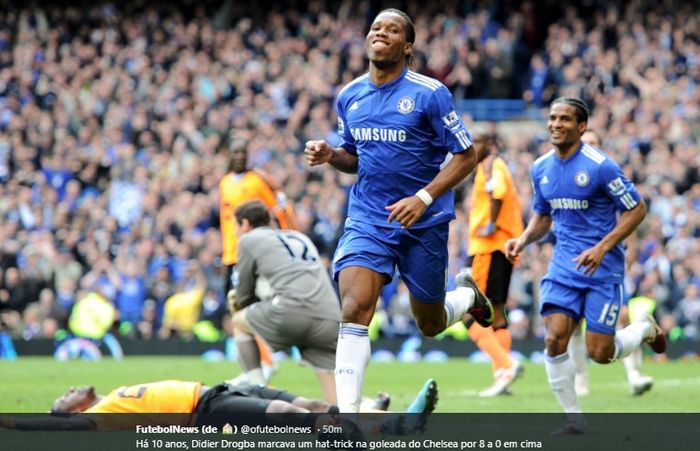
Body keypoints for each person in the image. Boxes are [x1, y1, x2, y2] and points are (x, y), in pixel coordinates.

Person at [304, 8, 493, 413]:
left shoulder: (430, 93)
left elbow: (467, 156)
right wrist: (330, 154)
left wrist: (422, 198)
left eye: (392, 30)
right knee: (354, 309)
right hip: (369, 218)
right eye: (375, 28)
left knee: (430, 324)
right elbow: (355, 158)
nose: (381, 33)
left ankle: (465, 296)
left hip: (424, 222)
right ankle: (348, 421)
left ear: (407, 46)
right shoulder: (350, 95)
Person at [504, 97, 666, 434]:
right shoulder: (540, 168)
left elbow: (637, 209)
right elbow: (543, 215)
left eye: (565, 119)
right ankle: (574, 419)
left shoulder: (600, 166)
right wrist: (523, 238)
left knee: (601, 353)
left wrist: (603, 246)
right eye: (552, 118)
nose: (556, 124)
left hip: (601, 269)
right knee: (554, 340)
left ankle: (643, 329)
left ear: (581, 127)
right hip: (563, 267)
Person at [0, 378, 438, 436]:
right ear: (74, 412)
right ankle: (366, 433)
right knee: (293, 417)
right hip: (205, 410)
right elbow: (48, 427)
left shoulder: (112, 394)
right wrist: (11, 422)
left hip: (219, 389)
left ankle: (392, 423)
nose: (69, 389)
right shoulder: (101, 417)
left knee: (313, 403)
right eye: (63, 398)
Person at [567, 129, 654, 397]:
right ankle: (581, 379)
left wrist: (631, 253)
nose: (588, 147)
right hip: (574, 262)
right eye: (586, 143)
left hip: (609, 263)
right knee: (571, 323)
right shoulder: (569, 177)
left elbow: (632, 214)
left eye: (593, 143)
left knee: (622, 317)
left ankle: (634, 375)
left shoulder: (610, 176)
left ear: (601, 147)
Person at [227, 200, 340, 403]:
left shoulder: (249, 239)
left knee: (238, 323)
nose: (235, 233)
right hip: (330, 316)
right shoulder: (299, 236)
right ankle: (372, 411)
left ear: (244, 224)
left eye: (235, 227)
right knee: (337, 399)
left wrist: (249, 299)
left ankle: (258, 390)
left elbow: (243, 297)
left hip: (290, 312)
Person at [219, 138, 299, 377]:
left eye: (244, 151)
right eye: (236, 151)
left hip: (252, 252)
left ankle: (265, 361)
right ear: (228, 154)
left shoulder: (257, 181)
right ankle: (260, 362)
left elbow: (278, 210)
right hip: (230, 255)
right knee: (237, 308)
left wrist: (289, 237)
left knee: (250, 307)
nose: (240, 156)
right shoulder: (224, 183)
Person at [463, 131, 524, 397]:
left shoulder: (491, 166)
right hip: (502, 247)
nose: (472, 147)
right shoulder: (491, 165)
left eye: (477, 142)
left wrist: (490, 224)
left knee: (469, 313)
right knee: (497, 314)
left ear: (488, 144)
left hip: (488, 248)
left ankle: (506, 365)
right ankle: (502, 376)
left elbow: (497, 193)